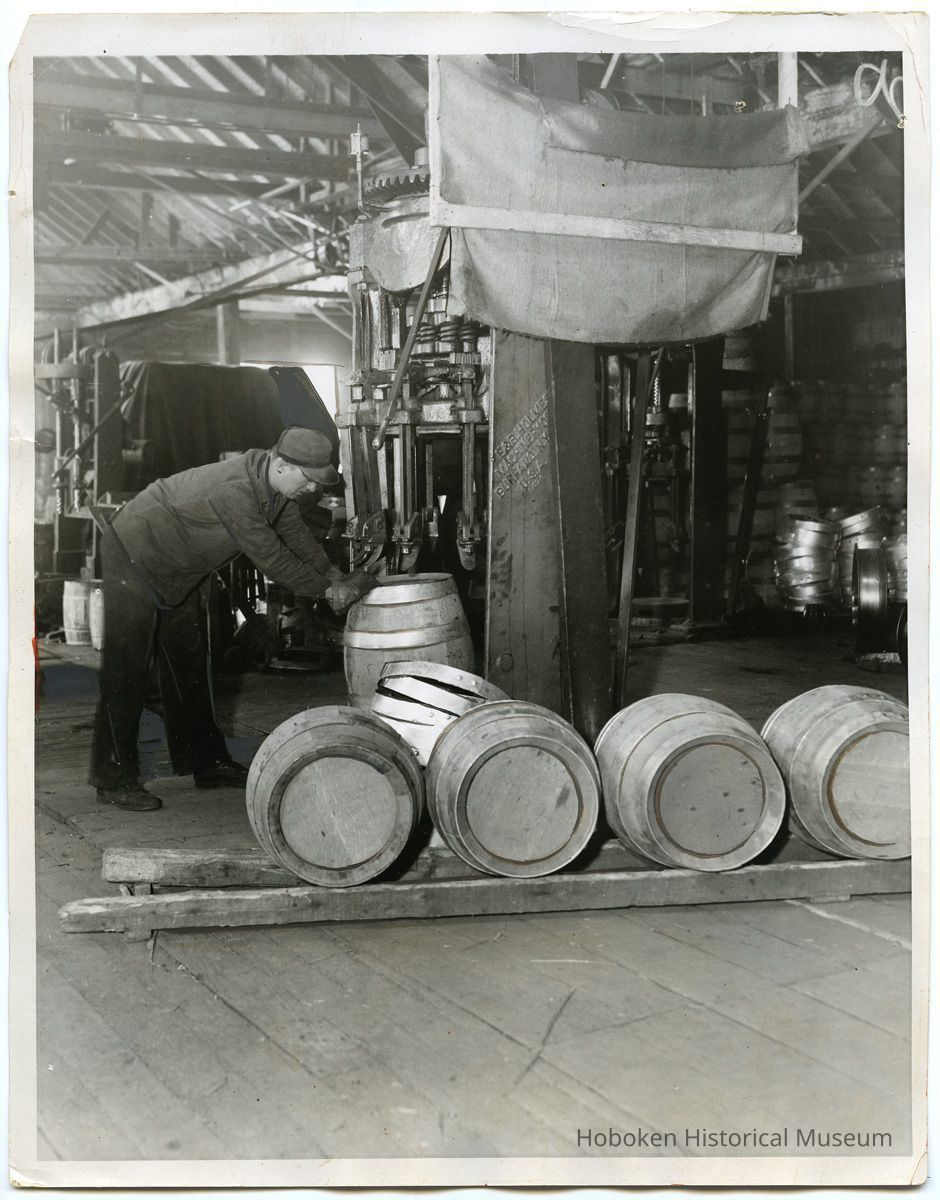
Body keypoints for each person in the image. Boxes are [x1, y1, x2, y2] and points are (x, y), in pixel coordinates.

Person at [90, 427, 376, 812]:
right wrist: (326, 592)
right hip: (135, 552)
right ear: (282, 464)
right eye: (308, 481)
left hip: (180, 566)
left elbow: (296, 536)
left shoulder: (276, 488)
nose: (312, 491)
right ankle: (114, 779)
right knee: (126, 668)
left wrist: (334, 574)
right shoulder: (236, 490)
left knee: (190, 664)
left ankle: (205, 762)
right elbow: (271, 557)